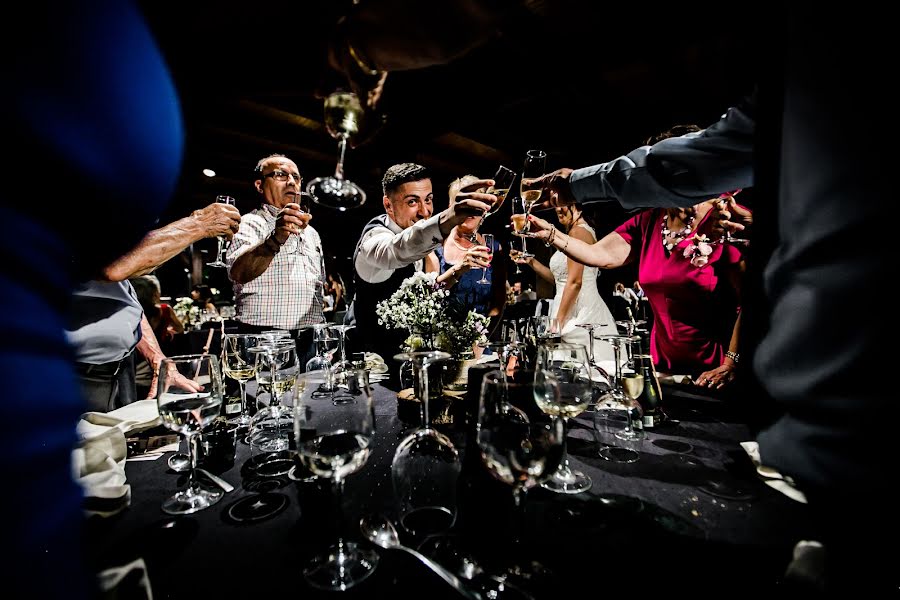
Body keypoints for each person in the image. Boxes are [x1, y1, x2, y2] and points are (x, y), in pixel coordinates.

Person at [4, 1, 186, 596]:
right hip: (56, 370)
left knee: (116, 482)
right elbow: (109, 265)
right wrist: (197, 226)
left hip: (116, 371)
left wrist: (156, 357)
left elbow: (124, 297)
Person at [528, 198, 746, 388]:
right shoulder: (649, 221)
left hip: (716, 368)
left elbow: (754, 299)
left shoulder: (723, 219)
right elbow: (599, 255)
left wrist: (731, 361)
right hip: (662, 366)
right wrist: (550, 233)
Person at [345, 162, 492, 365]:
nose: (425, 212)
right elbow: (397, 249)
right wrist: (449, 218)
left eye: (429, 200)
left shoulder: (420, 244)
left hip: (409, 360)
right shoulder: (375, 238)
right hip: (372, 368)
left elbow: (427, 294)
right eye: (413, 202)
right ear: (388, 205)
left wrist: (459, 269)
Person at [226, 154, 326, 365]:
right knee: (263, 397)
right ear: (260, 185)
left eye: (296, 178)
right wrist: (276, 237)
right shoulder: (250, 223)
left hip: (311, 339)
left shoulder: (312, 233)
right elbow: (239, 273)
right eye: (280, 175)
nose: (291, 182)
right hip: (265, 339)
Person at [513, 204, 617, 366]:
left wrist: (557, 326)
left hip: (578, 313)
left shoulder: (578, 232)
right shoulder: (575, 233)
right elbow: (559, 280)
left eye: (566, 204)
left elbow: (575, 282)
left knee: (577, 369)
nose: (559, 209)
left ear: (580, 207)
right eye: (557, 205)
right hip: (566, 306)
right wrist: (531, 262)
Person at [425, 175, 506, 336]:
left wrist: (481, 340)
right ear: (451, 207)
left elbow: (498, 303)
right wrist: (459, 268)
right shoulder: (435, 247)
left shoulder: (494, 249)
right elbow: (429, 297)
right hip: (443, 341)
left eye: (475, 204)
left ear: (484, 208)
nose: (469, 210)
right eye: (462, 203)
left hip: (482, 343)